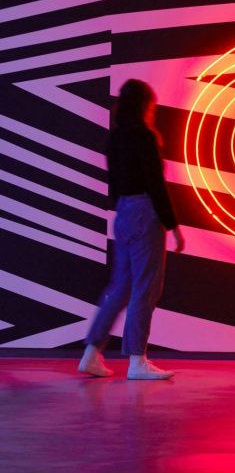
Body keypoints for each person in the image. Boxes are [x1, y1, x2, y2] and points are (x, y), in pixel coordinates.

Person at [78, 79, 184, 380]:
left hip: (123, 212)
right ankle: (138, 361)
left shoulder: (114, 138)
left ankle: (91, 353)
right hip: (144, 212)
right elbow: (156, 184)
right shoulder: (145, 136)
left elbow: (113, 184)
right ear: (145, 106)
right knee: (146, 287)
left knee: (120, 287)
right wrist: (172, 225)